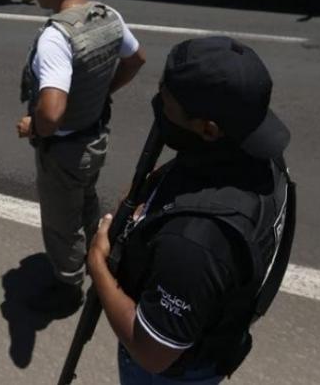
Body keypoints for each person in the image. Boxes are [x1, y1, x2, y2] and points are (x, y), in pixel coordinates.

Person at [88, 37, 295, 385]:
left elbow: (152, 352)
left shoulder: (193, 243)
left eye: (168, 103)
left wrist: (98, 265)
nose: (158, 104)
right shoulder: (257, 154)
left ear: (208, 129)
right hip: (210, 330)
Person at [16, 0, 146, 314]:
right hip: (95, 137)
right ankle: (98, 258)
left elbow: (52, 112)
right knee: (87, 200)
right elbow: (136, 59)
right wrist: (103, 92)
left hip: (65, 149)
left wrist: (34, 128)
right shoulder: (107, 15)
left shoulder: (56, 36)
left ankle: (68, 289)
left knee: (61, 222)